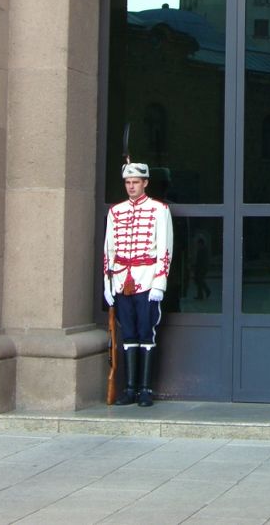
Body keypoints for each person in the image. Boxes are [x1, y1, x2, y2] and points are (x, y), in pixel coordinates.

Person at [104, 162, 174, 407]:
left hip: (146, 279)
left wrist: (159, 283)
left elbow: (165, 249)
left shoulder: (159, 209)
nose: (131, 187)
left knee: (147, 332)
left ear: (145, 183)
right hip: (122, 280)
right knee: (128, 334)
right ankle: (130, 388)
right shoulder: (116, 211)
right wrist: (108, 283)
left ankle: (145, 388)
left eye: (135, 182)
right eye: (127, 182)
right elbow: (109, 250)